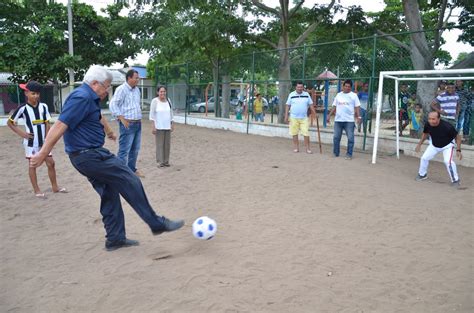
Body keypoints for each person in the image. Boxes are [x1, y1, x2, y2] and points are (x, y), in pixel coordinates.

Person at [30, 65, 184, 251]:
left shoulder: (90, 97)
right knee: (129, 178)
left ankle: (115, 239)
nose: (107, 90)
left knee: (109, 192)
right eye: (106, 86)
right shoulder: (81, 97)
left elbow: (97, 116)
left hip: (89, 154)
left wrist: (109, 131)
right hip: (88, 155)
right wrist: (42, 153)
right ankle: (156, 223)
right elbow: (60, 125)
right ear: (94, 83)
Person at [7, 81, 67, 199]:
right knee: (32, 165)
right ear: (26, 93)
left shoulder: (43, 107)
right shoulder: (22, 108)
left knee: (51, 163)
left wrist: (48, 138)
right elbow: (10, 123)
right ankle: (37, 190)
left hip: (44, 142)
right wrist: (23, 134)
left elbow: (46, 123)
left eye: (38, 94)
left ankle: (55, 187)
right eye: (33, 93)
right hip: (31, 143)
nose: (36, 96)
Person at [109, 69, 144, 178]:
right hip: (128, 125)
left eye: (138, 78)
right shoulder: (121, 89)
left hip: (138, 123)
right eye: (136, 78)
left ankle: (131, 170)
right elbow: (113, 104)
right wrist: (121, 117)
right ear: (129, 78)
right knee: (124, 150)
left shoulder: (137, 90)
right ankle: (120, 173)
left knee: (135, 149)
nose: (138, 80)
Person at [415, 111, 462, 187]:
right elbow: (425, 134)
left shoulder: (447, 126)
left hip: (447, 146)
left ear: (439, 119)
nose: (431, 121)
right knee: (424, 158)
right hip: (434, 145)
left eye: (433, 119)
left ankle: (455, 180)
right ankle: (422, 174)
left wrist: (458, 150)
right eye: (429, 119)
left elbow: (458, 137)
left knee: (448, 161)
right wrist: (419, 144)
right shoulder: (428, 124)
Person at [326, 79, 361, 160]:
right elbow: (334, 106)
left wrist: (359, 117)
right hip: (338, 120)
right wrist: (329, 115)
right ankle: (336, 153)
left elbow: (357, 107)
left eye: (349, 87)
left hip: (349, 121)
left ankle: (349, 154)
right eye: (346, 86)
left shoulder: (354, 96)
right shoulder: (338, 95)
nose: (347, 88)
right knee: (336, 138)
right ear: (343, 86)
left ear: (351, 88)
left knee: (351, 138)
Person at [284, 81, 316, 154]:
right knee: (294, 133)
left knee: (306, 133)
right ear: (296, 87)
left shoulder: (306, 94)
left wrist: (314, 113)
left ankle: (308, 148)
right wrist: (286, 116)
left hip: (304, 118)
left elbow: (311, 105)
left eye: (301, 87)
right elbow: (287, 105)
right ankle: (296, 147)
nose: (300, 88)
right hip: (293, 117)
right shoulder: (291, 94)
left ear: (303, 87)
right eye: (298, 87)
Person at [150, 86, 174, 168]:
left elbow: (171, 113)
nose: (162, 93)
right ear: (157, 92)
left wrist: (172, 123)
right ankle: (160, 161)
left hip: (167, 126)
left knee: (167, 144)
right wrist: (153, 126)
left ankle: (166, 161)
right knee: (160, 144)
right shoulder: (155, 101)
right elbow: (152, 114)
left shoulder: (168, 101)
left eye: (164, 91)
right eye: (161, 91)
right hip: (159, 126)